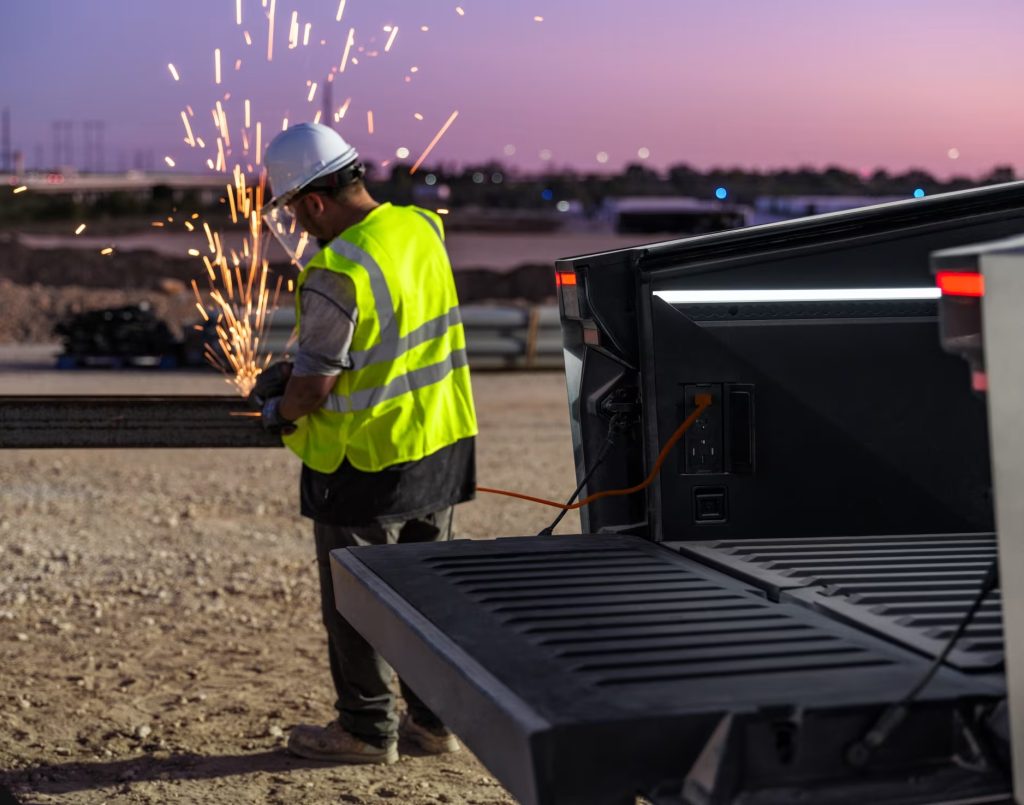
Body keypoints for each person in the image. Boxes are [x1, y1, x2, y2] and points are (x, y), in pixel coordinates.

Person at [253, 122, 478, 765]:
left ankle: (364, 732)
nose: (297, 225)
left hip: (365, 463)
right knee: (427, 597)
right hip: (440, 440)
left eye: (295, 211)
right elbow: (394, 334)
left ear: (315, 202)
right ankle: (434, 727)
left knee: (357, 604)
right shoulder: (420, 228)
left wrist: (277, 406)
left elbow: (312, 391)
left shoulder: (335, 268)